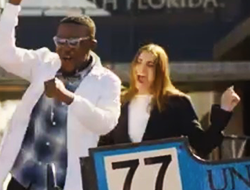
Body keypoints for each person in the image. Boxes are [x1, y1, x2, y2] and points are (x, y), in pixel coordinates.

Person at [0, 0, 121, 190]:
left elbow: (106, 123)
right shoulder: (43, 63)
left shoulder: (107, 82)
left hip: (61, 187)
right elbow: (4, 53)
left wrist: (68, 98)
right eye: (60, 42)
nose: (64, 49)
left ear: (90, 45)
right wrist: (14, 3)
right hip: (23, 179)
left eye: (73, 43)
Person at [99, 44, 241, 157]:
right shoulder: (119, 102)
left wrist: (224, 110)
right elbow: (103, 147)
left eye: (150, 65)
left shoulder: (177, 103)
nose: (141, 69)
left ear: (160, 72)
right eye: (139, 62)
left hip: (167, 189)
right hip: (123, 188)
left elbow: (202, 145)